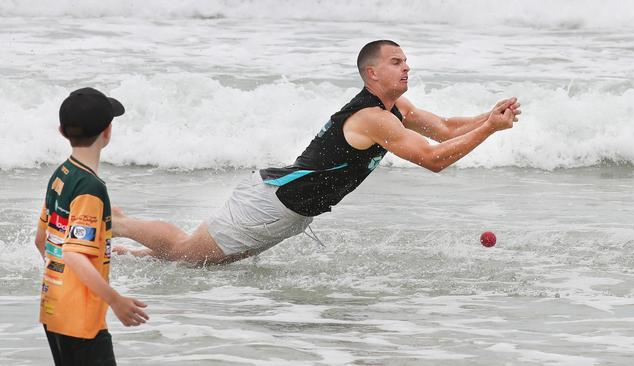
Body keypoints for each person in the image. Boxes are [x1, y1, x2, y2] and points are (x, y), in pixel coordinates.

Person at [112, 39, 521, 264]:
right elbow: (433, 160)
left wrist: (488, 116)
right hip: (273, 204)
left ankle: (126, 252)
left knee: (200, 261)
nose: (407, 67)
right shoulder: (372, 117)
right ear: (372, 73)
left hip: (290, 209)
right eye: (397, 62)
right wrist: (490, 129)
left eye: (407, 61)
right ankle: (117, 224)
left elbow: (446, 129)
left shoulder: (394, 108)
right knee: (188, 253)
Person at [34, 87, 149, 366]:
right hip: (81, 320)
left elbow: (42, 240)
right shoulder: (90, 187)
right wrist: (115, 300)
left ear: (62, 131)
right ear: (108, 132)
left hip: (54, 308)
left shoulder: (61, 174)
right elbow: (74, 254)